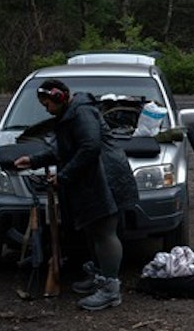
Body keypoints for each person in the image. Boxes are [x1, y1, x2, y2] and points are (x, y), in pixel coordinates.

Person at [15, 79, 138, 310]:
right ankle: (100, 278)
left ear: (59, 97)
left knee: (104, 232)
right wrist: (34, 160)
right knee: (94, 231)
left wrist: (64, 176)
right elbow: (64, 148)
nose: (47, 109)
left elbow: (90, 147)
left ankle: (111, 291)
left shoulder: (81, 113)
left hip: (106, 179)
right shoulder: (70, 114)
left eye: (47, 103)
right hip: (94, 179)